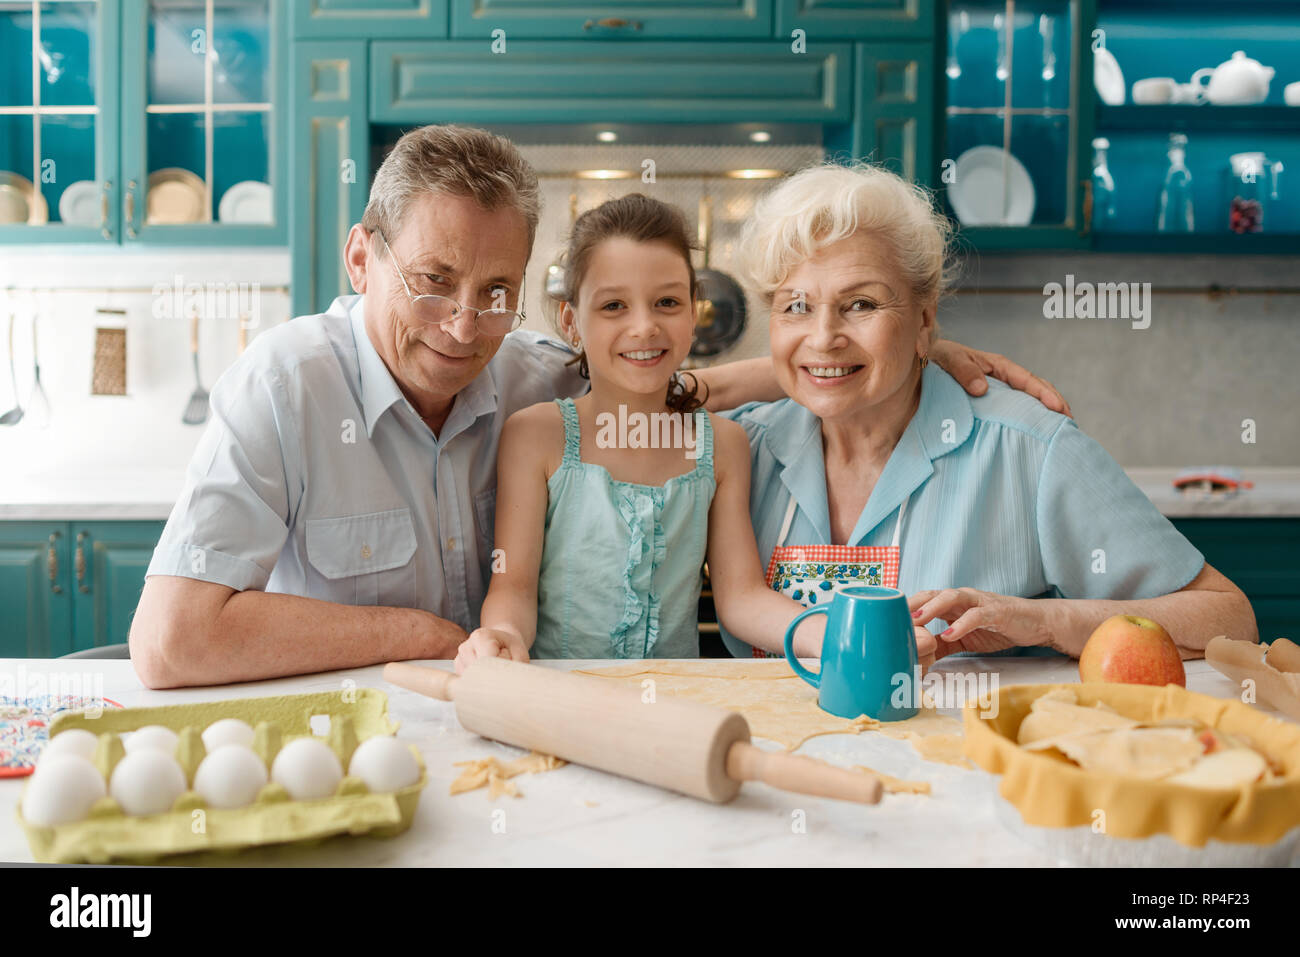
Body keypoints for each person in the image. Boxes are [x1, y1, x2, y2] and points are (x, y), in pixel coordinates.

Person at [128, 125, 1069, 689]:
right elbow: (171, 644)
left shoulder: (532, 370)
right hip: (351, 727)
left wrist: (899, 346)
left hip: (529, 712)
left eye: (497, 289)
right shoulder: (286, 383)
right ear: (361, 257)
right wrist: (438, 635)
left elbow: (681, 388)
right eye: (433, 280)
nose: (464, 324)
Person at [718, 161, 1257, 662]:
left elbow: (1229, 620)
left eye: (862, 304)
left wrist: (1044, 620)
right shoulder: (742, 447)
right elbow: (640, 400)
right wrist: (797, 367)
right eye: (796, 307)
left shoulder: (1030, 449)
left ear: (925, 319)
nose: (824, 336)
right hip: (777, 757)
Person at [454, 195, 827, 670]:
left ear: (695, 313)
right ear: (571, 321)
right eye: (614, 305)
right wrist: (502, 635)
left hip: (674, 710)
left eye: (667, 302)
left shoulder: (724, 446)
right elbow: (513, 587)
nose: (645, 326)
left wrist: (830, 632)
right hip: (558, 703)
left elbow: (741, 598)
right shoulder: (536, 436)